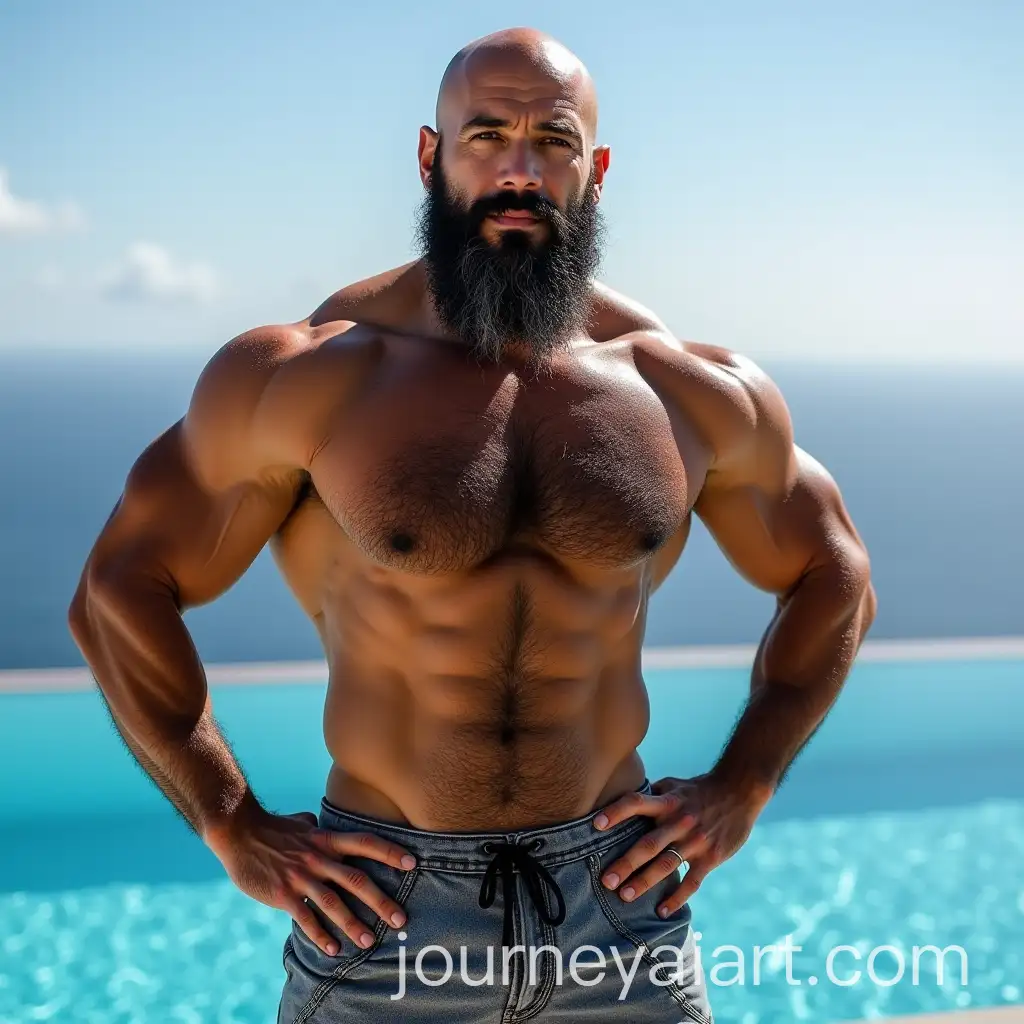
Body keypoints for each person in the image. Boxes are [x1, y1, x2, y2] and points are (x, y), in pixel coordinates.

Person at [68, 26, 876, 1023]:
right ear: (429, 154)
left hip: (619, 907)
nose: (520, 170)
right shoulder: (310, 377)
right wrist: (229, 820)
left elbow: (834, 572)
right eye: (486, 134)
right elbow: (119, 588)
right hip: (383, 911)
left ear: (597, 169)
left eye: (555, 141)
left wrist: (743, 783)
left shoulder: (683, 391)